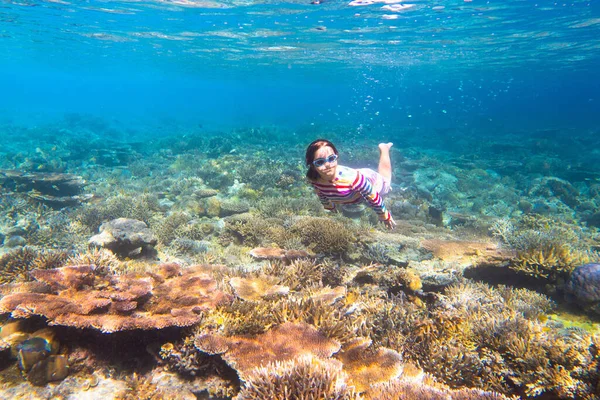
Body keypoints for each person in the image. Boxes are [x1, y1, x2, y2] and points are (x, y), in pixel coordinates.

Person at [305, 139, 397, 230]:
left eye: (331, 158)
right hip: (356, 184)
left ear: (337, 157)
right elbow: (321, 193)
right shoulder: (314, 179)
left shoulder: (353, 179)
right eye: (320, 162)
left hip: (372, 181)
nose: (328, 165)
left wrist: (384, 215)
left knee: (386, 182)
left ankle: (384, 149)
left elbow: (372, 196)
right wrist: (330, 208)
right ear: (312, 165)